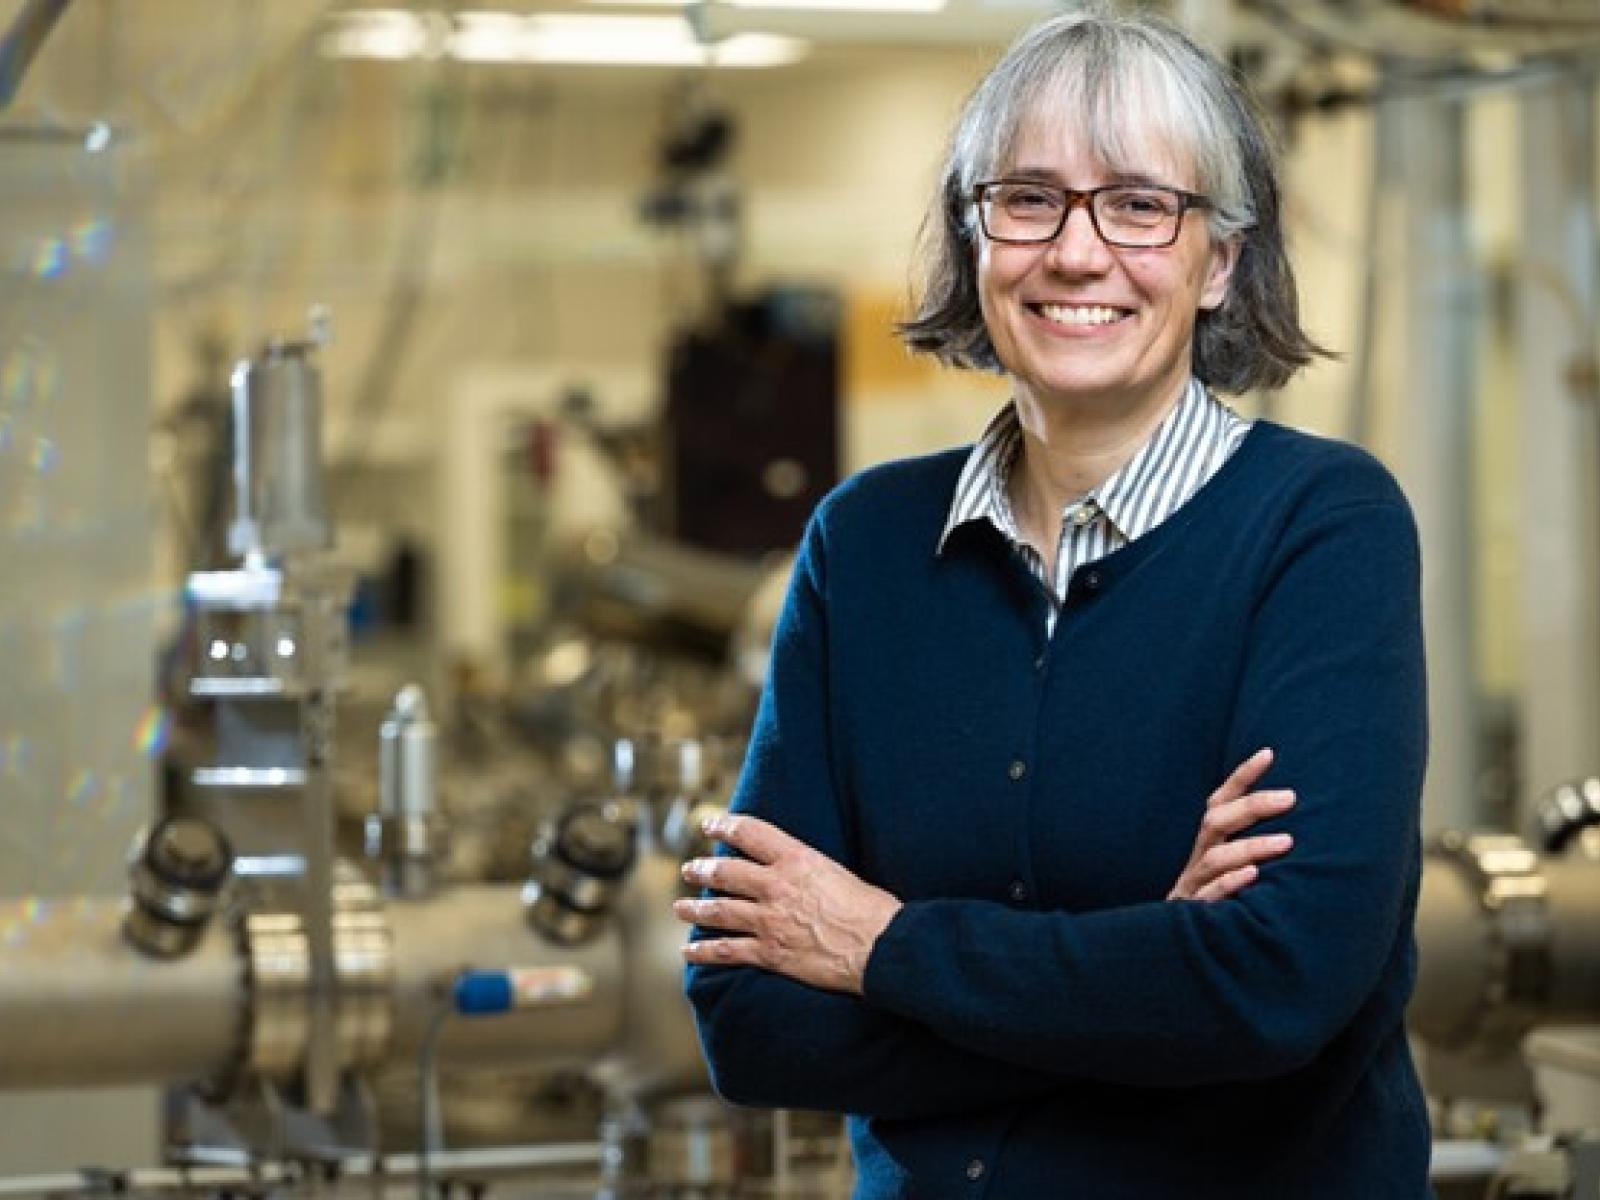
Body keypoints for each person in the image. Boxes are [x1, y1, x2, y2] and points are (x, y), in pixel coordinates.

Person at [675, 8, 1429, 1198]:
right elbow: (749, 1022)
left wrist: (877, 945)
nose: (1077, 254)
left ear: (1218, 258)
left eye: (1138, 205)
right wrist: (1144, 986)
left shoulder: (1322, 527)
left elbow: (1274, 987)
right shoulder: (863, 546)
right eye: (1026, 199)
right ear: (975, 238)